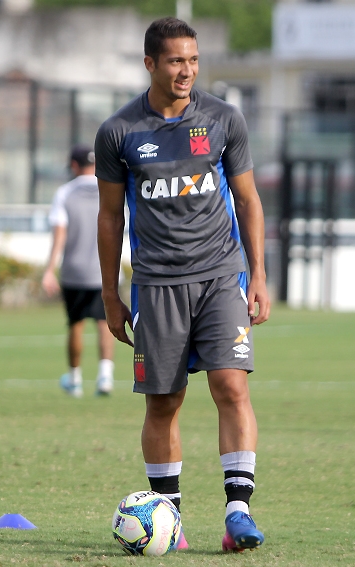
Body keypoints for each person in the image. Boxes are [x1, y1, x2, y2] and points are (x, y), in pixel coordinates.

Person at [94, 16, 270, 553]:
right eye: (175, 61)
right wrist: (110, 293)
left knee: (231, 385)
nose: (186, 71)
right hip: (157, 285)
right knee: (164, 403)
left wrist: (259, 273)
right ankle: (168, 516)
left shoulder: (222, 119)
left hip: (220, 274)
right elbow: (109, 218)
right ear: (150, 63)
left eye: (193, 60)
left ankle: (238, 511)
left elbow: (248, 199)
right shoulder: (119, 132)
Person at [42, 145, 115, 398]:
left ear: (73, 165)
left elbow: (59, 234)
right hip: (105, 269)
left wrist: (50, 269)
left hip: (74, 270)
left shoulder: (64, 193)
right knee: (105, 323)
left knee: (76, 323)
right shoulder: (109, 188)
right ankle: (105, 376)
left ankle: (75, 380)